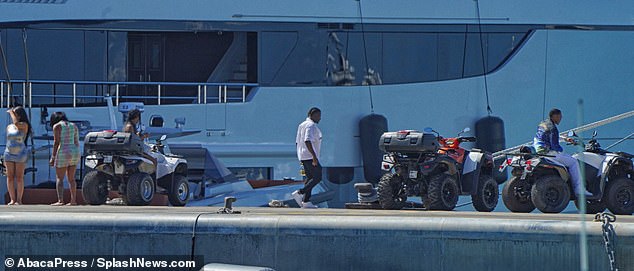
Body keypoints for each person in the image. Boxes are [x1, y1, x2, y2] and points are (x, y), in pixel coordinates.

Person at [533, 108, 591, 196]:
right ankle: (579, 189)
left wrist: (565, 139)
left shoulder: (543, 124)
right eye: (560, 116)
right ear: (555, 116)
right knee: (573, 162)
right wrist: (561, 151)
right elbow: (554, 146)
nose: (561, 118)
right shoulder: (553, 128)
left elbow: (547, 136)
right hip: (549, 153)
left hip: (539, 151)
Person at [292, 107, 322, 208]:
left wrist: (300, 155)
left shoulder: (302, 125)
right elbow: (307, 140)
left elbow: (297, 142)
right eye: (318, 115)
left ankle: (306, 201)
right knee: (318, 177)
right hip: (309, 156)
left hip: (303, 156)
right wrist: (314, 156)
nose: (319, 118)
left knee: (310, 178)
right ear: (311, 115)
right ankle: (300, 193)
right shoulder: (310, 125)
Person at [49, 112, 81, 206]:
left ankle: (60, 200)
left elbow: (56, 142)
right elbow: (76, 141)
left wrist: (53, 157)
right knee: (71, 179)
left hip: (63, 150)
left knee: (60, 178)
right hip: (74, 151)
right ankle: (73, 200)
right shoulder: (73, 125)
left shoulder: (57, 126)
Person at [4, 106, 31, 205]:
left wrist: (11, 112)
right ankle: (12, 199)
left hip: (20, 153)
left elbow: (16, 123)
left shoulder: (24, 125)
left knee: (19, 177)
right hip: (9, 152)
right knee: (10, 177)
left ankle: (19, 199)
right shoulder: (9, 126)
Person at [123, 109, 157, 175]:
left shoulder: (128, 125)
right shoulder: (130, 127)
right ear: (136, 117)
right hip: (134, 150)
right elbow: (134, 141)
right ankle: (153, 178)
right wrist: (144, 136)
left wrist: (138, 135)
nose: (138, 120)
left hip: (132, 148)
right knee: (154, 160)